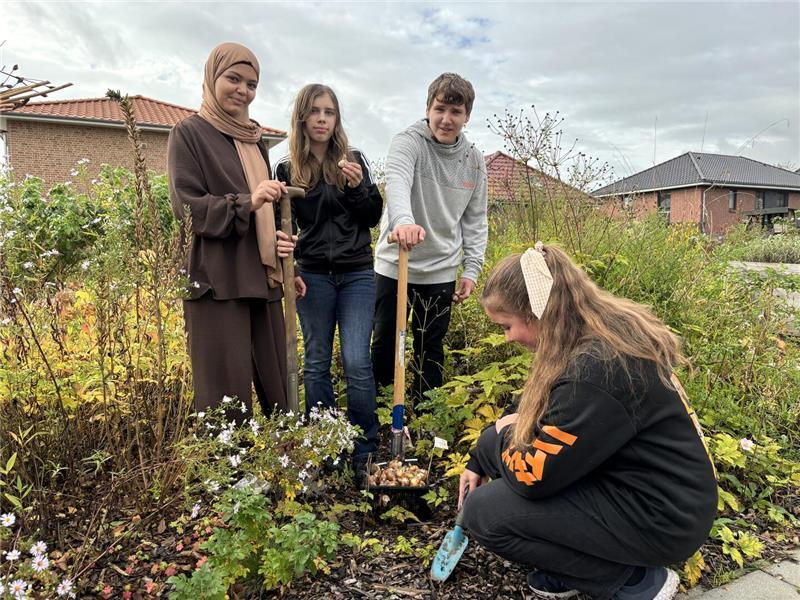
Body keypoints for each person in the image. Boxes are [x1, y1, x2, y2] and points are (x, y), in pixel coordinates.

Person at [459, 244, 717, 600]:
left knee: (486, 513)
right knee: (503, 461)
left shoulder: (597, 368)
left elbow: (532, 476)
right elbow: (529, 406)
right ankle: (575, 566)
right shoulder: (589, 334)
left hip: (662, 517)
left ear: (536, 312)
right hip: (654, 493)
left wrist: (493, 442)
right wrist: (481, 454)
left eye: (507, 326)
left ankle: (634, 581)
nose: (508, 338)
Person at [168, 42, 296, 422]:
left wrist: (284, 248)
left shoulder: (255, 140)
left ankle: (286, 456)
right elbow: (186, 208)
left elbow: (266, 211)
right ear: (212, 77)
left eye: (252, 84)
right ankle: (229, 465)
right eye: (234, 79)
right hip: (218, 279)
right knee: (223, 398)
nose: (243, 90)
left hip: (263, 276)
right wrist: (247, 203)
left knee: (280, 390)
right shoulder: (188, 134)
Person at [273, 84, 383, 472]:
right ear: (302, 117)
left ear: (337, 119)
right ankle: (325, 444)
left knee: (357, 360)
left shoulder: (354, 159)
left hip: (357, 274)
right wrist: (286, 262)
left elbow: (373, 217)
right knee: (317, 360)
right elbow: (280, 227)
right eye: (315, 111)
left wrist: (357, 188)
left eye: (329, 112)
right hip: (313, 275)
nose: (322, 119)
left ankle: (364, 447)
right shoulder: (286, 168)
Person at [372, 72, 488, 405]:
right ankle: (382, 411)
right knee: (385, 342)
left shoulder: (474, 161)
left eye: (455, 112)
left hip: (440, 270)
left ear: (467, 116)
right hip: (395, 265)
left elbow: (475, 219)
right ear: (428, 109)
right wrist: (404, 222)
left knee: (430, 348)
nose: (446, 119)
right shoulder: (408, 142)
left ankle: (426, 413)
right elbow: (397, 182)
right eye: (440, 109)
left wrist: (471, 270)